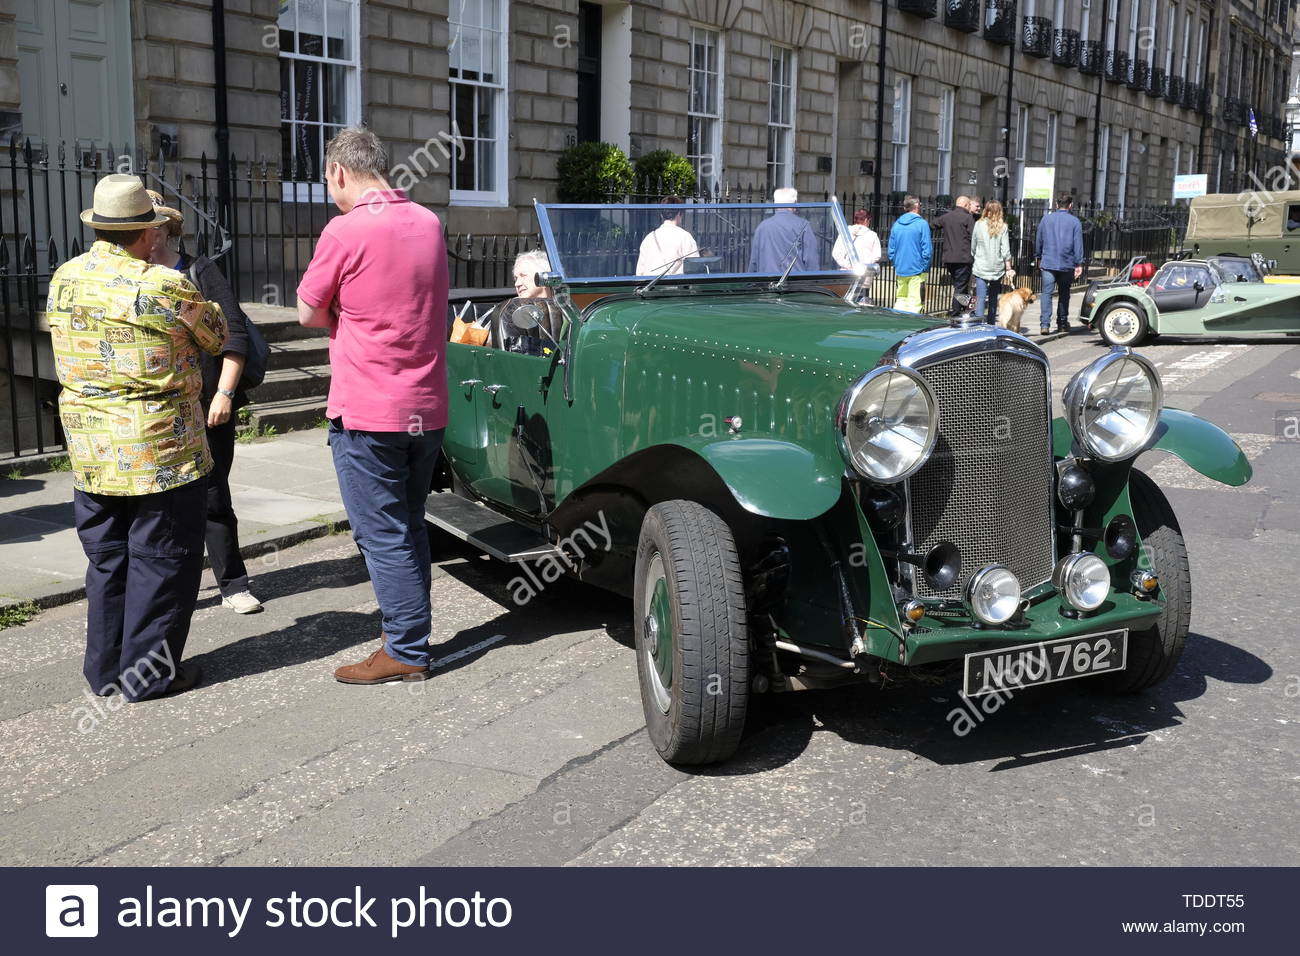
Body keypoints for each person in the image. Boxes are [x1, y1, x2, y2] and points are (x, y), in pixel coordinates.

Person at [47, 174, 227, 700]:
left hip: (91, 450)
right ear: (149, 236)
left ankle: (105, 672)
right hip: (159, 452)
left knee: (108, 560)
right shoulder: (164, 284)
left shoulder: (66, 276)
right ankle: (148, 675)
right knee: (163, 561)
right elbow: (217, 336)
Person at [296, 127, 449, 685]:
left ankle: (406, 650)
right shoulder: (429, 222)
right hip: (425, 405)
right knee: (408, 525)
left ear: (340, 172)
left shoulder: (345, 229)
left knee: (381, 534)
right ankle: (406, 638)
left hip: (369, 408)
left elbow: (308, 312)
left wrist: (346, 314)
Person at [145, 190, 263, 615]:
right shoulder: (125, 277)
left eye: (149, 221)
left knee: (212, 496)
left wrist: (225, 394)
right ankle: (176, 587)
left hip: (206, 404)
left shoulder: (197, 270)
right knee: (159, 504)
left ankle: (232, 583)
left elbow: (235, 333)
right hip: (154, 412)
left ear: (162, 228)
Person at [1034, 193, 1085, 334]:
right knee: (1064, 293)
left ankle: (1044, 325)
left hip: (1048, 262)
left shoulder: (1046, 219)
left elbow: (1038, 239)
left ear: (1056, 205)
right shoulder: (1075, 222)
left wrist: (1038, 256)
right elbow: (1078, 244)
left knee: (1046, 294)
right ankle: (1062, 323)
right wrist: (1079, 263)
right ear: (1070, 205)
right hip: (1067, 263)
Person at [750, 187, 820, 273]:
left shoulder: (762, 227)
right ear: (794, 203)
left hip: (767, 283)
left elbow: (754, 264)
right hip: (796, 283)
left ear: (775, 204)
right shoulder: (803, 226)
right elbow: (811, 263)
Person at [888, 195, 932, 313]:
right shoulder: (922, 224)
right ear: (917, 206)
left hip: (901, 268)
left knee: (901, 299)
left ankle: (897, 325)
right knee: (916, 302)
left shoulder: (897, 224)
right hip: (917, 269)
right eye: (921, 205)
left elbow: (891, 250)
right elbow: (927, 249)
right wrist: (924, 267)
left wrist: (896, 263)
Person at [971, 200, 1013, 325]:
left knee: (980, 298)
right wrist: (1008, 267)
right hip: (997, 267)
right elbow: (1005, 250)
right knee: (994, 298)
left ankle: (979, 325)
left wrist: (975, 255)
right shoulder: (1003, 226)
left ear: (986, 210)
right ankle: (990, 325)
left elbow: (973, 245)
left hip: (981, 265)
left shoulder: (978, 224)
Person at [635, 197, 699, 275]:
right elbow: (694, 269)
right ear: (679, 213)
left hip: (650, 285)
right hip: (674, 285)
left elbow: (640, 272)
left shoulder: (649, 238)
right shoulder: (685, 237)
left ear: (661, 215)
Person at [935, 196, 976, 315]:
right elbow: (973, 236)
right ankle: (956, 313)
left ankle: (970, 310)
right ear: (966, 205)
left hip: (948, 258)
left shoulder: (946, 217)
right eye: (969, 205)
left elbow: (932, 225)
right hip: (963, 258)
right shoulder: (968, 218)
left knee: (960, 285)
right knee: (960, 286)